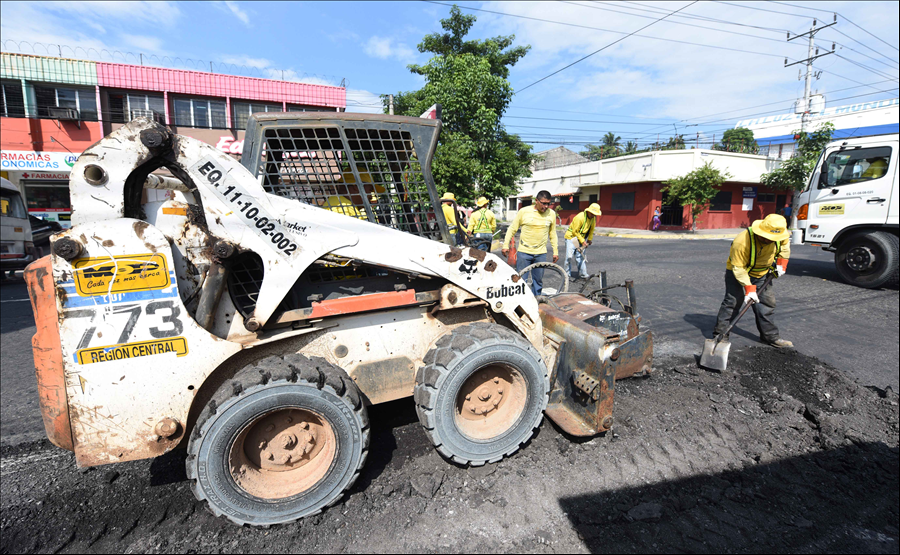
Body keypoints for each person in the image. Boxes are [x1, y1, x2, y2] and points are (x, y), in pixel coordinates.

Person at [713, 214, 793, 348]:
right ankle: (720, 335)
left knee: (767, 304)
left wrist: (782, 263)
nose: (769, 240)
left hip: (762, 273)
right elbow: (738, 268)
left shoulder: (780, 236)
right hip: (738, 273)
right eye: (767, 237)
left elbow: (784, 248)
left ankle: (770, 336)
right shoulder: (742, 241)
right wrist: (749, 289)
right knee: (732, 302)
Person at [502, 190, 559, 296]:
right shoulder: (524, 211)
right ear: (536, 201)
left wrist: (555, 251)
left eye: (548, 203)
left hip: (541, 253)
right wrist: (505, 245)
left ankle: (535, 302)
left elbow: (553, 233)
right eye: (543, 203)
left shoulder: (551, 214)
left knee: (538, 281)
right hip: (524, 252)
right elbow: (512, 229)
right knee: (521, 280)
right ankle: (520, 303)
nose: (546, 206)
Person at [564, 203, 601, 280]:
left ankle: (584, 275)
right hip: (572, 237)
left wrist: (589, 239)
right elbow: (575, 231)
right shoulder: (580, 217)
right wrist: (582, 241)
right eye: (593, 213)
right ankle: (567, 275)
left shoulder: (592, 218)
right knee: (569, 257)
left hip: (581, 238)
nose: (594, 215)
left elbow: (591, 230)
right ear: (589, 211)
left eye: (595, 214)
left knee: (580, 257)